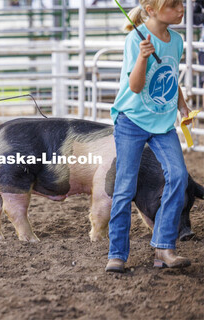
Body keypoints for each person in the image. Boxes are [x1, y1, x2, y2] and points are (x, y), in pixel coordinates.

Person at [106, 0, 193, 273]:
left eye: (181, 4)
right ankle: (117, 254)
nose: (181, 10)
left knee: (178, 176)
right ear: (152, 9)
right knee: (125, 187)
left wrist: (182, 106)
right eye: (173, 5)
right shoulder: (135, 39)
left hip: (163, 122)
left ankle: (164, 245)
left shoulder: (176, 40)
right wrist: (143, 57)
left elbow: (170, 75)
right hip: (131, 120)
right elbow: (134, 86)